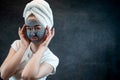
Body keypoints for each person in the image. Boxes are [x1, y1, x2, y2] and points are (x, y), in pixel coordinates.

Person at [0, 0, 59, 80]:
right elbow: (4, 74)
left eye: (37, 28)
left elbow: (27, 76)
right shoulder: (18, 45)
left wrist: (42, 48)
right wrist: (23, 47)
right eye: (29, 28)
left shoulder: (51, 59)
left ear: (47, 29)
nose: (32, 33)